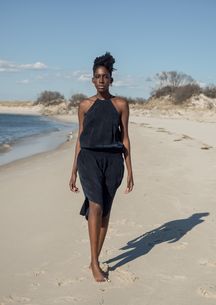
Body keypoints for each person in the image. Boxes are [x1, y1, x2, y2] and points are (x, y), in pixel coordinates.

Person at [69, 52, 134, 282]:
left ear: (111, 79)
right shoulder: (85, 106)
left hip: (114, 162)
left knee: (105, 212)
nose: (101, 80)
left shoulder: (120, 104)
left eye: (105, 76)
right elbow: (80, 137)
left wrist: (130, 171)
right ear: (92, 80)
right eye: (97, 76)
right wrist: (73, 170)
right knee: (95, 206)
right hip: (89, 160)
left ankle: (93, 259)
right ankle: (95, 263)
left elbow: (125, 138)